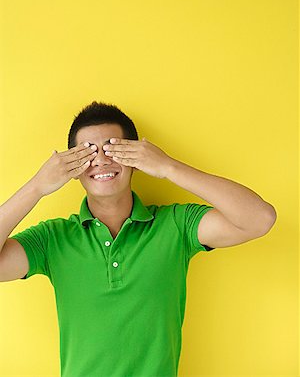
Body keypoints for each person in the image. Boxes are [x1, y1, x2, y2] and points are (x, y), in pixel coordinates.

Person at [0, 101, 277, 377]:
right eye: (86, 153)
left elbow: (259, 219)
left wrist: (169, 167)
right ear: (72, 168)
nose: (100, 160)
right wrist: (37, 186)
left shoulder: (175, 226)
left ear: (135, 158)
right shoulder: (53, 239)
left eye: (112, 149)